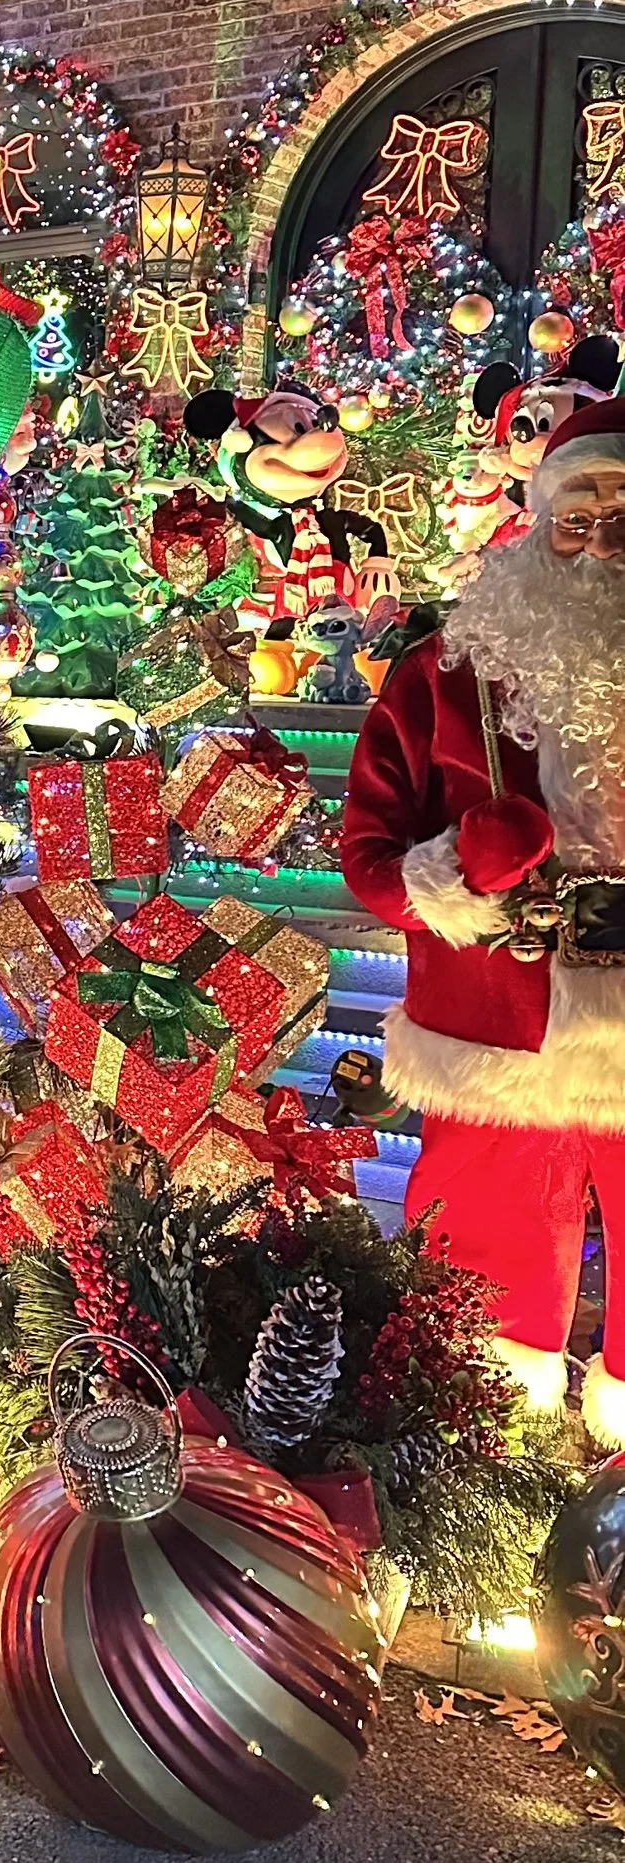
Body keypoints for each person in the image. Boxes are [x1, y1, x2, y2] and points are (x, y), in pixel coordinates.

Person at [340, 397, 625, 1438]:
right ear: (538, 512)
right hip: (497, 1031)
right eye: (579, 502)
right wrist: (453, 872)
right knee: (482, 1271)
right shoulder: (443, 675)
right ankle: (474, 1468)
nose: (601, 531)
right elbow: (368, 861)